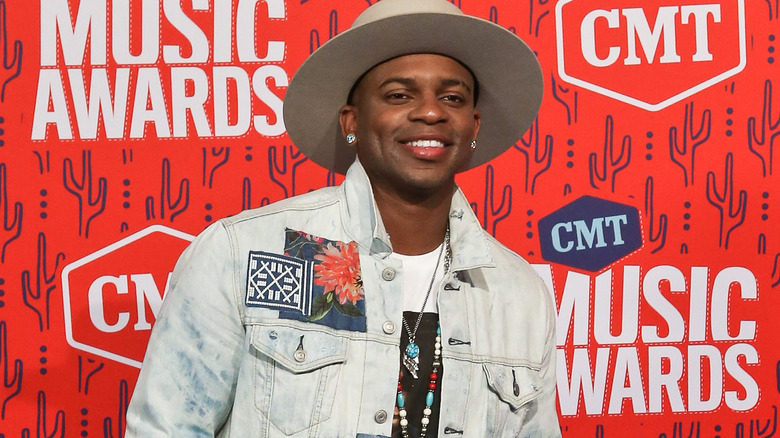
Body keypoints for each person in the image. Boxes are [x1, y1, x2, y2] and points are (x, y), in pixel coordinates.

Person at [125, 0, 560, 436]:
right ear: (352, 121)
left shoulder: (519, 294)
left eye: (452, 97)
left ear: (473, 127)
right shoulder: (247, 252)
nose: (431, 112)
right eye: (399, 95)